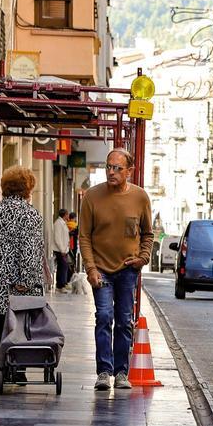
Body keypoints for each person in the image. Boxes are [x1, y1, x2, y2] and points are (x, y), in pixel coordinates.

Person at [78, 149, 154, 391]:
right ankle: (104, 371)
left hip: (127, 270)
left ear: (129, 171)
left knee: (123, 321)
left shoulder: (140, 197)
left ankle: (121, 372)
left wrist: (143, 258)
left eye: (117, 168)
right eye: (108, 167)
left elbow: (148, 234)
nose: (111, 172)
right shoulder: (92, 196)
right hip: (100, 269)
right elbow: (84, 236)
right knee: (103, 317)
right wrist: (90, 268)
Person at [0, 166, 46, 372]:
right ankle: (17, 367)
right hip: (16, 287)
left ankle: (3, 366)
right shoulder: (30, 215)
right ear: (28, 189)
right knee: (19, 327)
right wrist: (26, 281)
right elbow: (30, 251)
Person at [52, 208, 71, 289]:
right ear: (65, 215)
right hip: (60, 250)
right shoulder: (58, 223)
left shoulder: (63, 223)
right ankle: (61, 285)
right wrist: (62, 250)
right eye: (67, 214)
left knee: (63, 267)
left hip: (64, 249)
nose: (68, 216)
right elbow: (57, 238)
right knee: (63, 266)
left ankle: (62, 283)